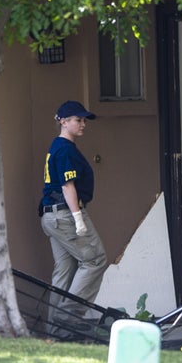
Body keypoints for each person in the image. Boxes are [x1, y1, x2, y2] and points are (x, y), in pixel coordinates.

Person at [39, 100, 108, 333]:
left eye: (84, 120)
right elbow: (68, 186)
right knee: (95, 260)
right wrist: (78, 218)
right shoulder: (65, 148)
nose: (83, 124)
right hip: (65, 214)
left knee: (64, 270)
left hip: (51, 216)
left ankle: (54, 333)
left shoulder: (56, 146)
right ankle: (66, 320)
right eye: (78, 120)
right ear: (63, 121)